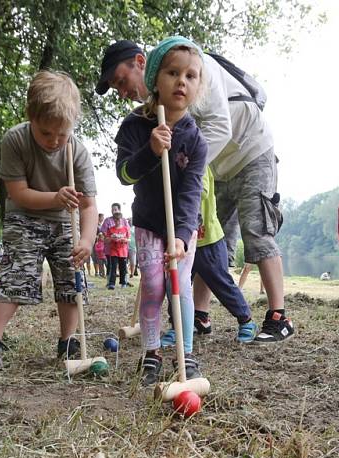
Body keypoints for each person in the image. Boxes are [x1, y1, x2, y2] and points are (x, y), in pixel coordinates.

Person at [97, 39, 293, 343]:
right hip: (217, 166)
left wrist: (183, 170)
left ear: (140, 62)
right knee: (206, 238)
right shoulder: (153, 110)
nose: (123, 92)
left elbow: (219, 129)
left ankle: (278, 316)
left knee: (256, 230)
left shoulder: (195, 66)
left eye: (121, 81)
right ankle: (199, 316)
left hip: (250, 151)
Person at [0, 71, 97, 368]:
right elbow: (18, 192)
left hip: (65, 221)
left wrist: (87, 240)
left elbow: (89, 205)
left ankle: (68, 341)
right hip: (24, 215)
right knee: (17, 272)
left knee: (71, 276)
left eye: (61, 135)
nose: (54, 141)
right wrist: (55, 197)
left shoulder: (76, 151)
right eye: (45, 133)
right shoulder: (16, 140)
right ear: (31, 118)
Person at [113, 37, 207, 385]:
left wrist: (182, 236)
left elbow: (191, 191)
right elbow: (124, 174)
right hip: (150, 223)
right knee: (153, 285)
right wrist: (151, 149)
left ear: (198, 86)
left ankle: (186, 354)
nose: (182, 81)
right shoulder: (135, 126)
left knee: (179, 283)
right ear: (154, 78)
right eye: (172, 72)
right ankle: (151, 352)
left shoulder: (196, 139)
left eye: (191, 76)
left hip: (182, 228)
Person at [161, 167, 257, 344]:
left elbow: (201, 191)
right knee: (176, 285)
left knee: (221, 281)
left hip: (208, 240)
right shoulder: (168, 162)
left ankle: (247, 321)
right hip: (181, 242)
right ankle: (178, 327)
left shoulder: (198, 160)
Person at [104, 208, 130, 289]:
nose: (117, 222)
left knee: (123, 267)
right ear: (113, 220)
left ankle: (123, 282)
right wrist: (111, 237)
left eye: (118, 220)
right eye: (115, 220)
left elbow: (129, 239)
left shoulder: (125, 229)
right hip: (113, 251)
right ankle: (111, 283)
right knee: (113, 267)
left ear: (121, 220)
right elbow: (106, 240)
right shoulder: (110, 229)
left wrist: (124, 239)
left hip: (123, 251)